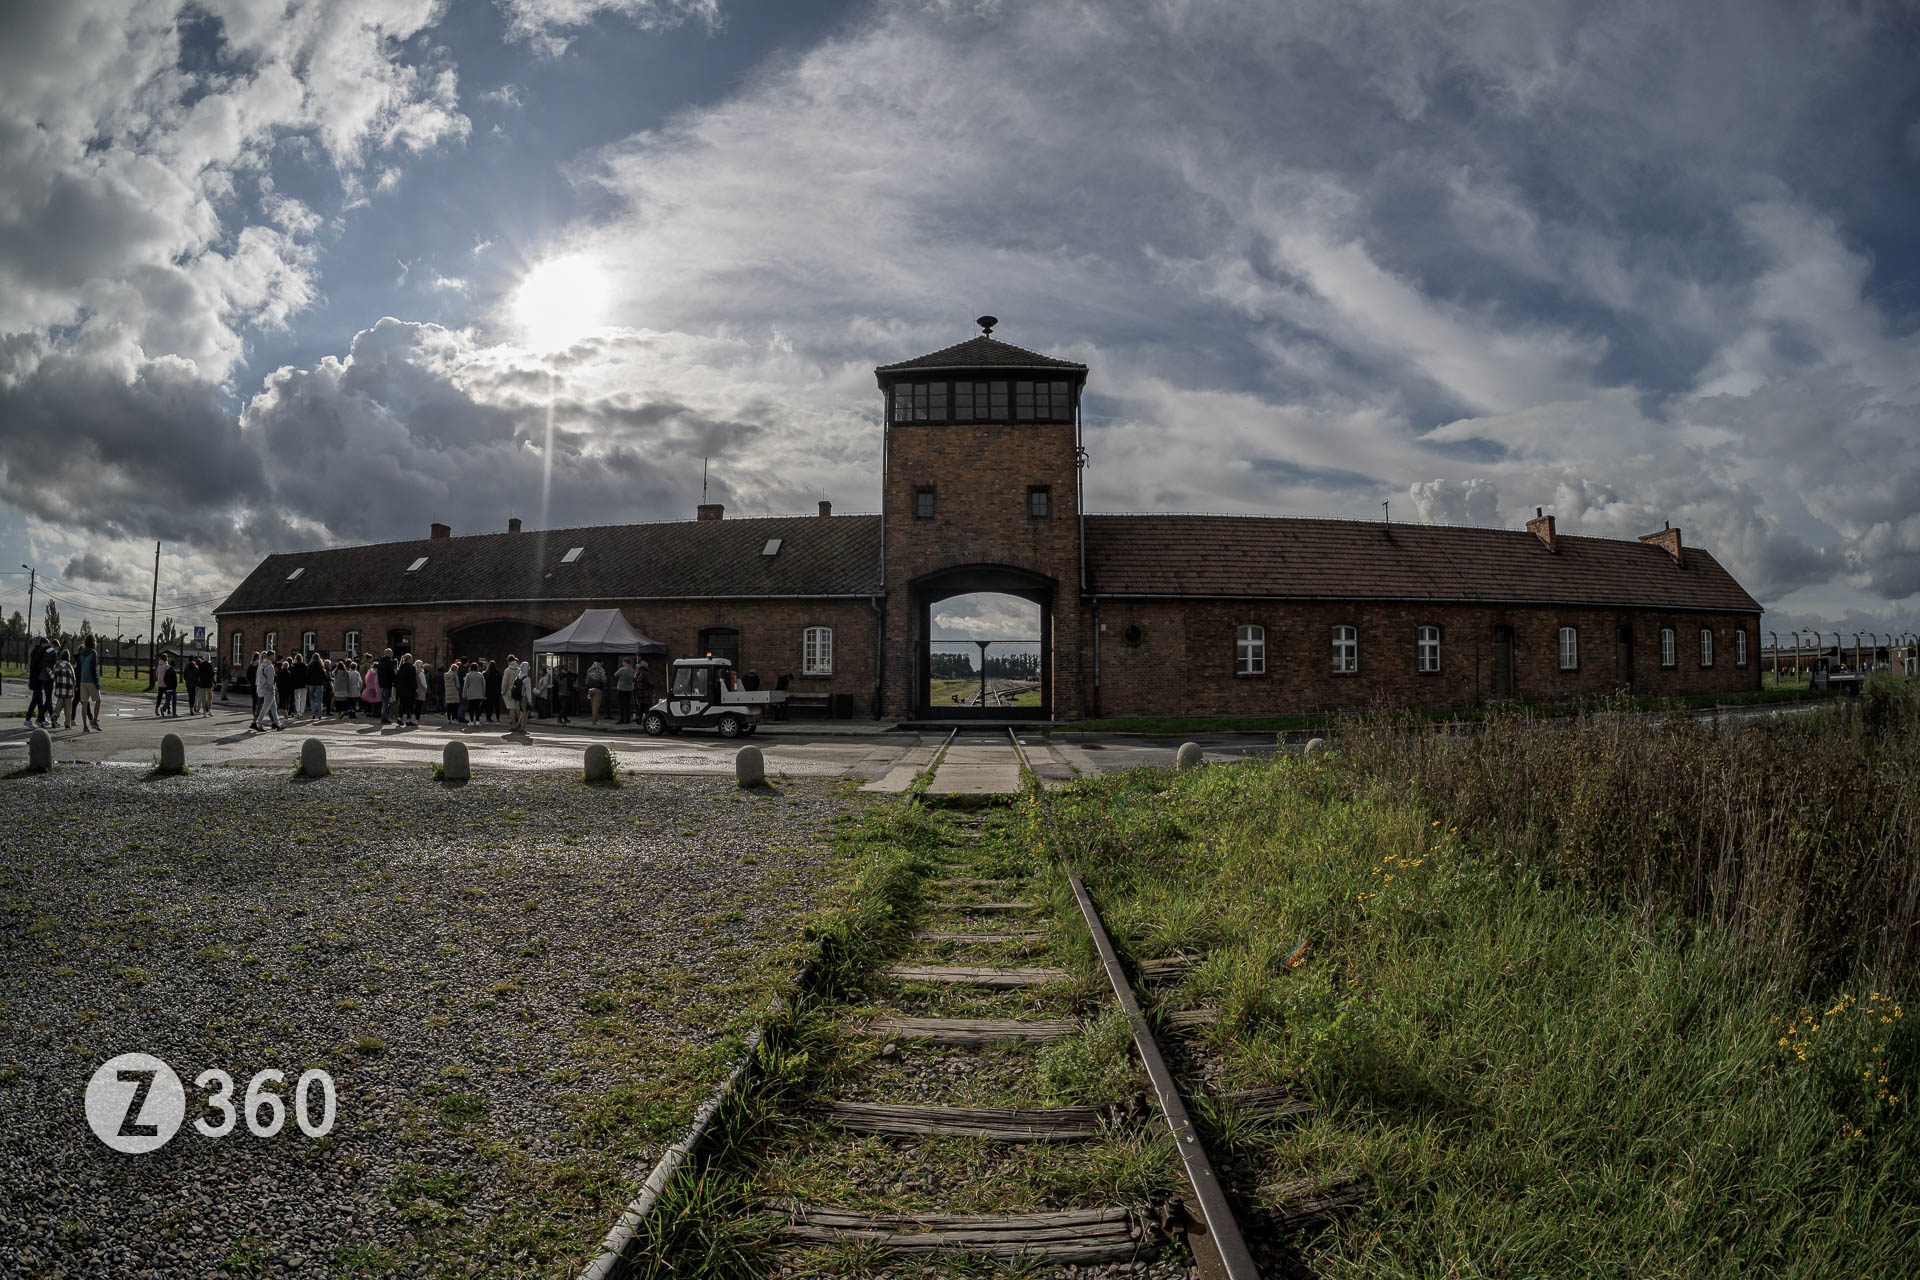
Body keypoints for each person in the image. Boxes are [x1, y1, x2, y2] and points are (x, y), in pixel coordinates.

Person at [75, 635, 102, 733]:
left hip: (83, 680)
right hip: (91, 680)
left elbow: (80, 668)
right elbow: (94, 668)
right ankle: (94, 721)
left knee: (84, 704)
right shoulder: (93, 653)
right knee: (98, 700)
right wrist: (97, 682)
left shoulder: (82, 653)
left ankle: (85, 725)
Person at [252, 650, 283, 731]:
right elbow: (270, 681)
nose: (274, 657)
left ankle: (278, 724)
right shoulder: (270, 667)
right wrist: (272, 689)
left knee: (273, 708)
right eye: (273, 656)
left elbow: (260, 679)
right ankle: (258, 724)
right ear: (270, 656)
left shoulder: (262, 665)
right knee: (266, 708)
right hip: (269, 690)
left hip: (262, 688)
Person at [51, 648, 77, 729]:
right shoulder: (69, 666)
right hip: (68, 690)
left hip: (59, 689)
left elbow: (53, 677)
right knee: (68, 708)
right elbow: (74, 678)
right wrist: (73, 687)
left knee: (59, 704)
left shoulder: (57, 665)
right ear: (68, 657)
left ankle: (54, 716)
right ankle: (67, 724)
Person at [461, 661, 486, 726]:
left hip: (470, 695)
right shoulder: (481, 675)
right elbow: (484, 685)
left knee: (471, 709)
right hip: (479, 695)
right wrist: (483, 694)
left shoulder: (468, 675)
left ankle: (471, 721)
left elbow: (465, 686)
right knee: (477, 708)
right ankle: (477, 721)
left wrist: (464, 694)